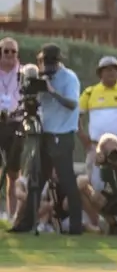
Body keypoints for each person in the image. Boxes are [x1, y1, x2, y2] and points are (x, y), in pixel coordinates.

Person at [12, 44, 84, 235]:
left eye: (50, 62)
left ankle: (76, 226)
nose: (47, 65)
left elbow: (72, 104)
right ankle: (25, 224)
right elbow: (35, 104)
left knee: (67, 180)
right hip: (45, 134)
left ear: (58, 62)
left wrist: (51, 91)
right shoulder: (42, 77)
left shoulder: (69, 78)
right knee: (37, 179)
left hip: (62, 135)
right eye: (43, 61)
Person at [79, 56, 117, 151]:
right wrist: (83, 137)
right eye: (107, 70)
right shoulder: (90, 92)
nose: (111, 72)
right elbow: (77, 116)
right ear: (100, 74)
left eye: (114, 69)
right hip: (96, 145)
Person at [0, 38, 21, 220]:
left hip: (15, 124)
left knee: (13, 174)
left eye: (13, 51)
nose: (9, 55)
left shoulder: (23, 73)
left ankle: (12, 215)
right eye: (6, 51)